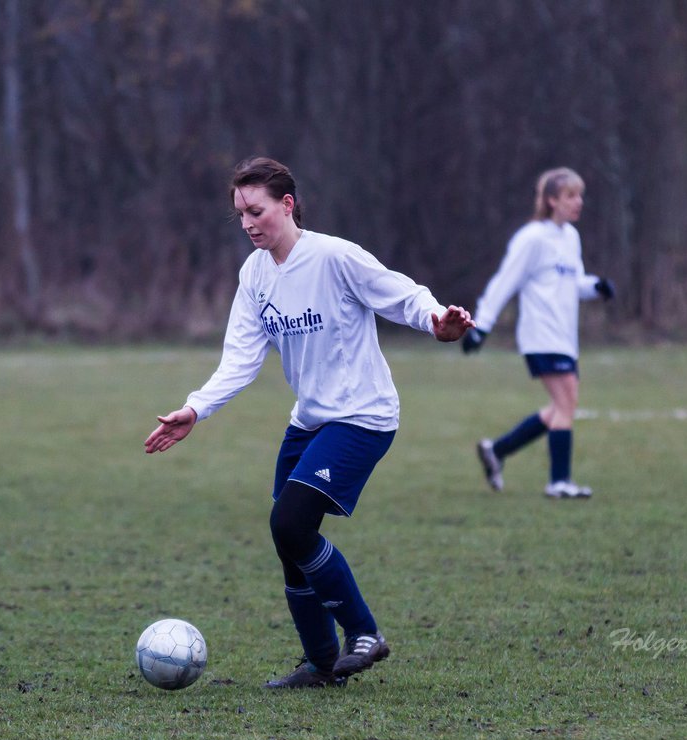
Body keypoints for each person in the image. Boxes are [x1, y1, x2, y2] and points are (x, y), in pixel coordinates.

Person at [145, 156, 474, 689]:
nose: (248, 223)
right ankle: (322, 665)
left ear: (287, 204)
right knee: (290, 541)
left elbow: (402, 294)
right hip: (310, 422)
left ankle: (364, 633)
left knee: (291, 525)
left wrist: (438, 321)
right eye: (240, 215)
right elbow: (241, 357)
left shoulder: (333, 257)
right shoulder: (254, 275)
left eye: (256, 211)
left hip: (362, 416)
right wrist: (196, 408)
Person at [461, 167, 614, 498]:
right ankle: (559, 482)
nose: (579, 202)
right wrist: (481, 326)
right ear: (551, 201)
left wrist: (596, 287)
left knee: (561, 406)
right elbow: (504, 282)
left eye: (580, 195)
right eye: (570, 196)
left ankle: (497, 450)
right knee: (566, 400)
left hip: (564, 336)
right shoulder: (531, 239)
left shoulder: (570, 238)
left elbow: (571, 283)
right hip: (539, 335)